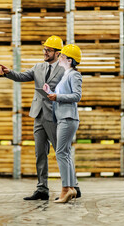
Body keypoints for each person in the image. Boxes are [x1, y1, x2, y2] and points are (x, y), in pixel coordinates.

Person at [0, 36, 81, 200]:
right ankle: (42, 189)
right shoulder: (38, 67)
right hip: (38, 114)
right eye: (44, 49)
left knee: (61, 152)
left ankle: (74, 186)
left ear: (58, 53)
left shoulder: (65, 69)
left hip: (55, 116)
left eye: (48, 50)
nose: (45, 52)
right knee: (40, 153)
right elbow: (22, 76)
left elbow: (72, 91)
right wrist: (8, 73)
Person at [44, 44, 82, 203]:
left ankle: (66, 189)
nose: (59, 58)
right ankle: (71, 188)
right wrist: (50, 93)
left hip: (68, 118)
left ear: (69, 60)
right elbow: (64, 94)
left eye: (62, 56)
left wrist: (57, 97)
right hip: (63, 117)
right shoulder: (66, 75)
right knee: (64, 153)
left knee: (60, 153)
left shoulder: (74, 75)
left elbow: (77, 96)